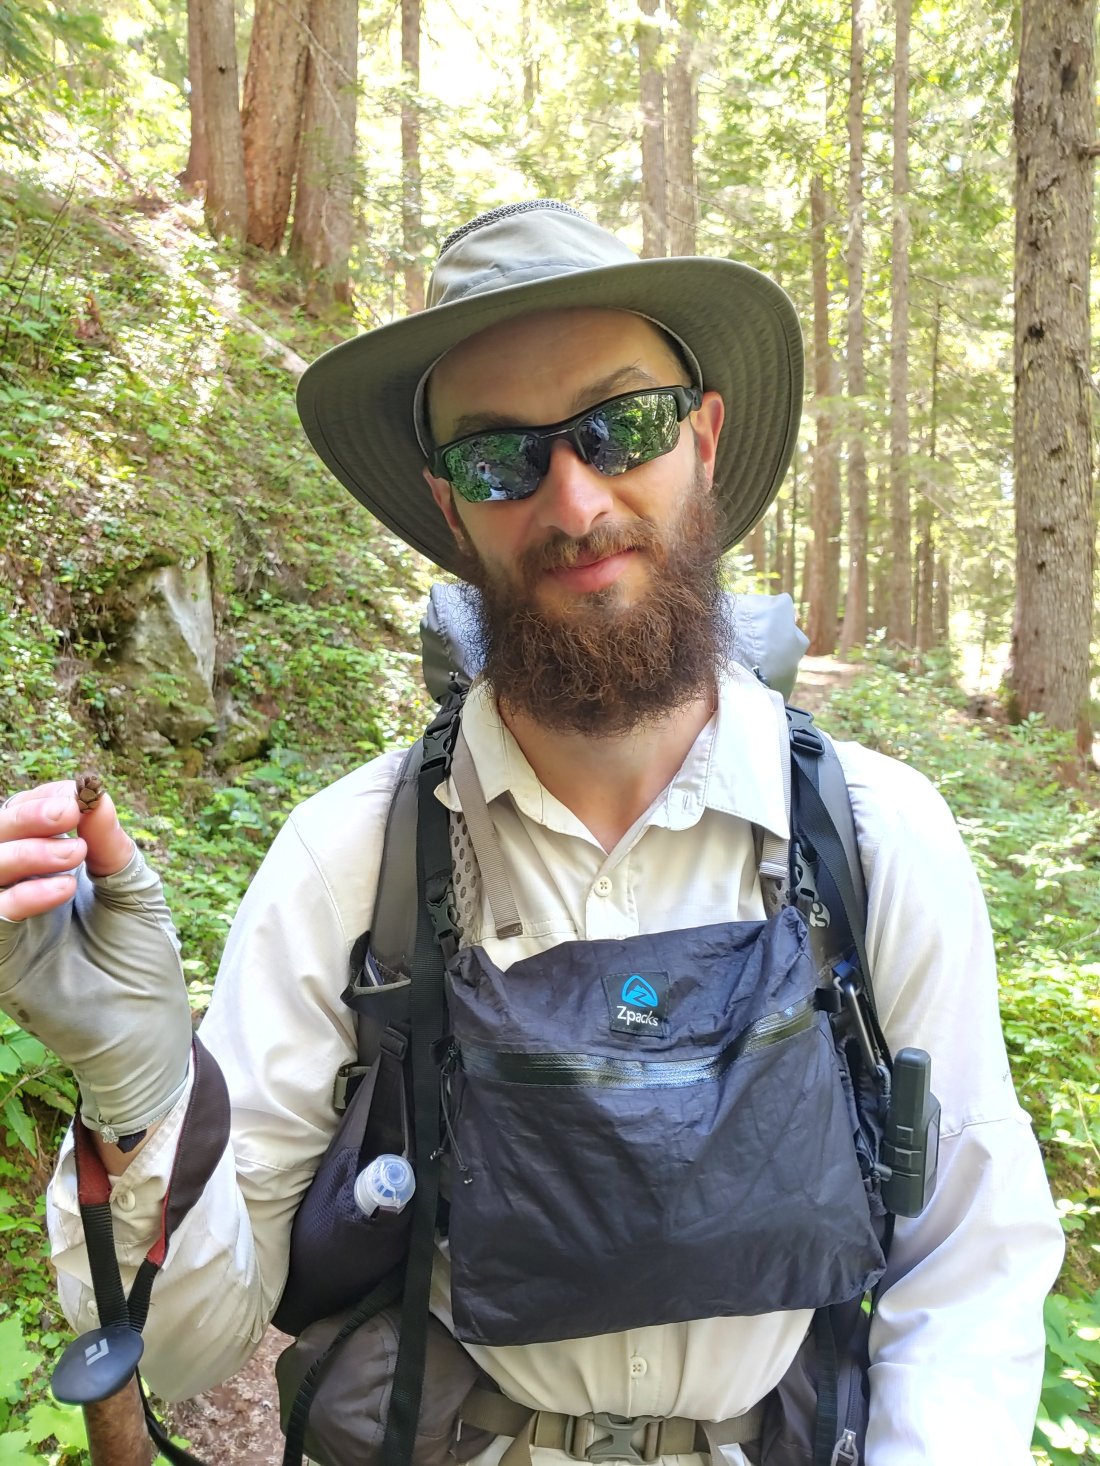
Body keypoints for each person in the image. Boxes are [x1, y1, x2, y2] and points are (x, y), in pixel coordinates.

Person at [0, 200, 1064, 1466]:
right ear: (450, 506)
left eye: (622, 424)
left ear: (702, 438)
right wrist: (139, 1095)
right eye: (499, 455)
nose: (572, 497)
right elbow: (186, 1350)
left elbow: (968, 1262)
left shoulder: (875, 840)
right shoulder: (351, 862)